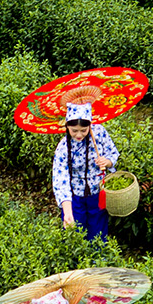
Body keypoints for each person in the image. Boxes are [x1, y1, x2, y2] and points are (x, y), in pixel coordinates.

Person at [52, 100, 119, 242]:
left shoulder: (99, 132)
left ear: (90, 125)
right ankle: (78, 262)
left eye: (83, 130)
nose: (78, 135)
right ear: (67, 127)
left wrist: (107, 162)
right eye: (74, 130)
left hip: (98, 192)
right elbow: (60, 179)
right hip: (75, 196)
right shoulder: (63, 147)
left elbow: (113, 152)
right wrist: (67, 211)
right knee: (75, 230)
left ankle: (98, 260)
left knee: (98, 230)